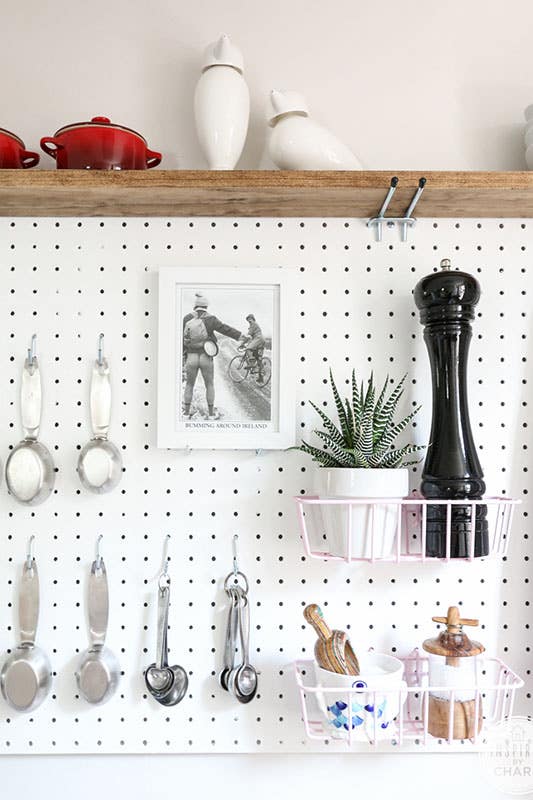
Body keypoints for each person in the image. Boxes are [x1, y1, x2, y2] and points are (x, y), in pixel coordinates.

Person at [182, 292, 242, 419]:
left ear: (195, 306)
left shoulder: (187, 318)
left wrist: (183, 355)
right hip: (206, 356)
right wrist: (240, 336)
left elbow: (182, 339)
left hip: (191, 356)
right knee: (209, 384)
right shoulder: (211, 319)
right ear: (206, 307)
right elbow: (226, 329)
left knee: (189, 385)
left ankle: (186, 413)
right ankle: (210, 414)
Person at [242, 313, 266, 384]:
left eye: (250, 319)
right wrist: (244, 343)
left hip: (258, 339)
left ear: (252, 319)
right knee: (258, 359)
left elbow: (248, 335)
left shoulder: (253, 324)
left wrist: (242, 344)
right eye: (248, 320)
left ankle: (251, 363)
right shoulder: (254, 325)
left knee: (248, 349)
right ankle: (260, 378)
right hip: (261, 341)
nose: (249, 321)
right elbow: (250, 338)